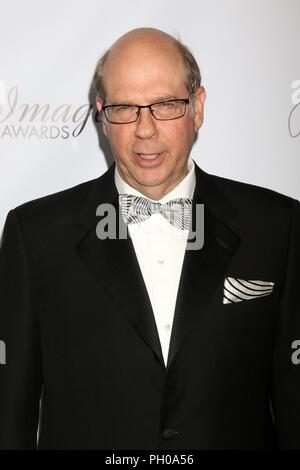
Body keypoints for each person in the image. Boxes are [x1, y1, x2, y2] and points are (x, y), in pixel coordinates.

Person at [0, 27, 299, 450]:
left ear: (198, 107)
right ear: (102, 115)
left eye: (165, 105)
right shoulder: (35, 235)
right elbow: (11, 413)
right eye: (124, 108)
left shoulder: (276, 225)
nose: (145, 130)